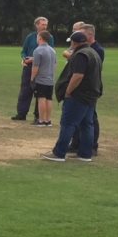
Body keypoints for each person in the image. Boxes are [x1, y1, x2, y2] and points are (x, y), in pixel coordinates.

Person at [41, 31, 102, 162]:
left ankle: (59, 153)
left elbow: (78, 76)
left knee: (68, 123)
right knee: (87, 124)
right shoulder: (93, 53)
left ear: (74, 42)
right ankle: (85, 154)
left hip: (78, 95)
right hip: (91, 95)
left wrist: (68, 91)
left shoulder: (80, 55)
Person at [67, 23, 105, 155]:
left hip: (88, 90)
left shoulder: (97, 50)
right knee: (80, 118)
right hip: (82, 90)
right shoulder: (85, 48)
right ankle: (76, 143)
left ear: (89, 35)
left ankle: (92, 146)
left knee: (91, 119)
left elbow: (89, 70)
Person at [12, 16, 53, 122]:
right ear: (37, 25)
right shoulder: (30, 37)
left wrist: (33, 59)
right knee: (25, 90)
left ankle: (38, 116)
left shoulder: (49, 37)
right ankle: (21, 113)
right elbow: (23, 51)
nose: (45, 26)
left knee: (40, 92)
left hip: (41, 67)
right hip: (28, 67)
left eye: (46, 24)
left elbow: (49, 52)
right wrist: (24, 59)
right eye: (42, 24)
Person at [29, 30, 56, 126]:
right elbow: (54, 65)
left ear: (40, 38)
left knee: (41, 98)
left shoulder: (38, 50)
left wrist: (32, 78)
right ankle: (48, 120)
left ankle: (41, 120)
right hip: (50, 79)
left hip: (41, 79)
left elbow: (35, 67)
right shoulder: (52, 50)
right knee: (49, 99)